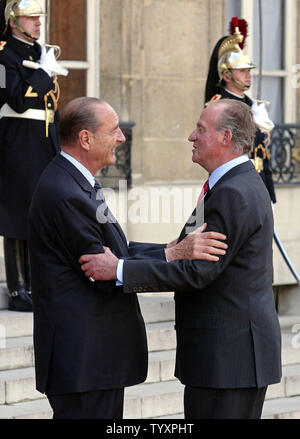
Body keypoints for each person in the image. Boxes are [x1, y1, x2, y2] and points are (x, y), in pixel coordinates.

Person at [80, 99, 282, 419]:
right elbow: (181, 249)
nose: (191, 136)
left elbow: (195, 271)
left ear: (225, 138)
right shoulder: (230, 184)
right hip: (225, 359)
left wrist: (118, 269)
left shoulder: (233, 192)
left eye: (201, 130)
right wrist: (125, 252)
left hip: (229, 361)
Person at [28, 96, 228, 419]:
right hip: (83, 365)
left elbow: (117, 252)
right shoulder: (66, 193)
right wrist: (173, 254)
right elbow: (103, 273)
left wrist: (170, 248)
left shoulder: (75, 182)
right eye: (114, 130)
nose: (121, 138)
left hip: (91, 365)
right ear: (85, 138)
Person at [0, 0, 65, 311]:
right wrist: (43, 73)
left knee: (37, 215)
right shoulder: (4, 54)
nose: (38, 23)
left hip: (42, 143)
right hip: (18, 144)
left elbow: (49, 106)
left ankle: (36, 284)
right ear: (14, 22)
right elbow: (18, 99)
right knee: (16, 217)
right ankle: (17, 290)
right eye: (30, 17)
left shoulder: (38, 52)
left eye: (39, 17)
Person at [204, 16, 276, 204]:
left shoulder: (253, 104)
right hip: (235, 185)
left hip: (261, 182)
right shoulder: (219, 105)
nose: (248, 75)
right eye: (242, 71)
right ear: (226, 74)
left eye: (249, 70)